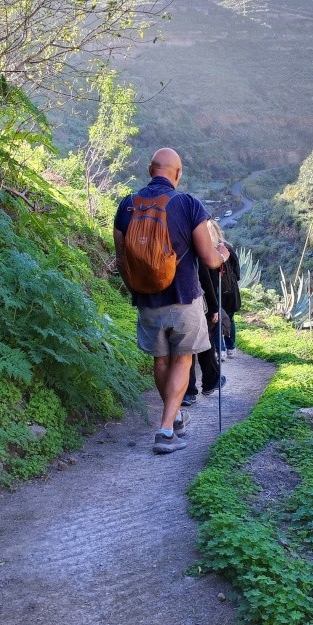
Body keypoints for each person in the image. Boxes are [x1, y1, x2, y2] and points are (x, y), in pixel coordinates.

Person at [113, 148, 230, 455]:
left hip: (147, 301)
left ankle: (175, 414)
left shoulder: (127, 205)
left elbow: (121, 259)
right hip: (183, 298)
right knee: (182, 359)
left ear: (150, 170)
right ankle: (166, 432)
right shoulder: (188, 204)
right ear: (177, 173)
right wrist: (222, 256)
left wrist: (137, 289)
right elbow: (208, 258)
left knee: (161, 360)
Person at [183, 256, 227, 407]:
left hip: (162, 303)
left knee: (183, 349)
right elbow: (207, 281)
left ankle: (187, 392)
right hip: (196, 304)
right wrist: (214, 309)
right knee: (203, 342)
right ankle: (208, 382)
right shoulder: (196, 249)